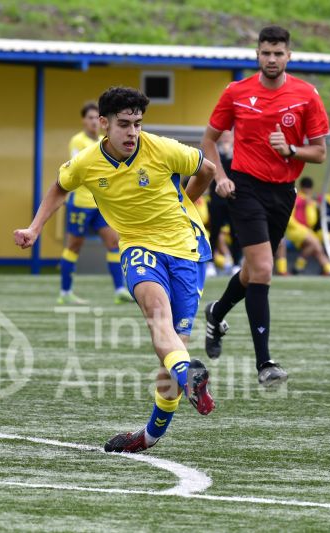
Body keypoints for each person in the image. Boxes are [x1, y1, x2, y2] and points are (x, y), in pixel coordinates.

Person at [15, 86, 216, 454]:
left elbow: (207, 168)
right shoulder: (88, 160)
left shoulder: (163, 149)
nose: (132, 133)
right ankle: (191, 378)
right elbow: (59, 187)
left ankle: (151, 434)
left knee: (170, 356)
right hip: (139, 246)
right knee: (159, 319)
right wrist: (35, 228)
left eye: (138, 124)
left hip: (186, 249)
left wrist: (189, 198)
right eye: (124, 124)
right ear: (103, 124)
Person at [200, 25, 329, 386]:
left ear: (289, 56)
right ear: (257, 54)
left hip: (283, 192)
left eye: (278, 53)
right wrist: (220, 177)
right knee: (264, 269)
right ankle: (265, 363)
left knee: (254, 270)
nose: (271, 59)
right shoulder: (237, 92)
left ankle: (216, 311)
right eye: (265, 53)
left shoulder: (306, 95)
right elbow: (209, 140)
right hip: (245, 187)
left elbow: (319, 152)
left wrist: (290, 150)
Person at [59, 101, 133, 305]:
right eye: (90, 118)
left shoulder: (105, 140)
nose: (93, 122)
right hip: (81, 203)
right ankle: (65, 292)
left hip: (101, 204)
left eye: (96, 118)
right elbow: (79, 170)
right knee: (74, 246)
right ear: (84, 120)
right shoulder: (78, 141)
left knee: (113, 242)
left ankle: (119, 290)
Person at [283, 176, 330, 275]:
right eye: (306, 188)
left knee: (317, 244)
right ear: (302, 188)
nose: (308, 190)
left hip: (308, 231)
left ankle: (298, 267)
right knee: (315, 244)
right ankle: (328, 269)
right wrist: (303, 228)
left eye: (309, 188)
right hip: (295, 231)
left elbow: (312, 220)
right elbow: (289, 218)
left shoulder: (310, 201)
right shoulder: (295, 199)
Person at [206, 130, 241, 276]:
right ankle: (210, 263)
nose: (227, 138)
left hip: (233, 198)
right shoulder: (214, 152)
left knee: (235, 232)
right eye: (224, 135)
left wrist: (230, 155)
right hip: (217, 198)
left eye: (229, 135)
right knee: (215, 232)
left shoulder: (238, 153)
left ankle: (236, 263)